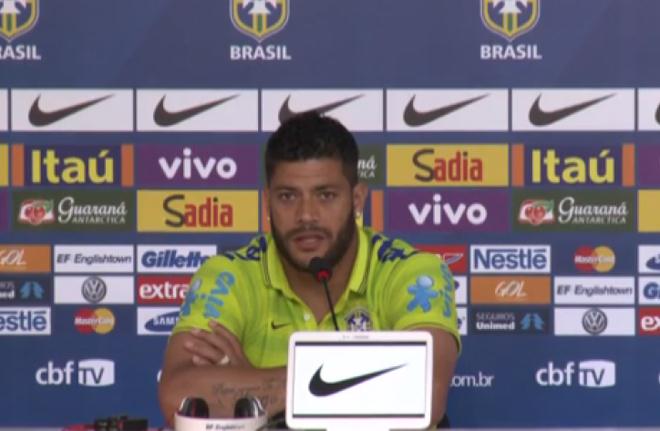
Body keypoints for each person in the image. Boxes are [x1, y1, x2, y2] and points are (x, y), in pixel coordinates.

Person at [158, 112, 460, 427]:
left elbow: (424, 393)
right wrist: (366, 379)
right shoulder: (228, 276)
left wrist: (250, 384)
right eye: (287, 197)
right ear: (267, 202)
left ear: (357, 200)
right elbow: (177, 398)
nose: (306, 215)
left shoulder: (413, 273)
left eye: (325, 195)